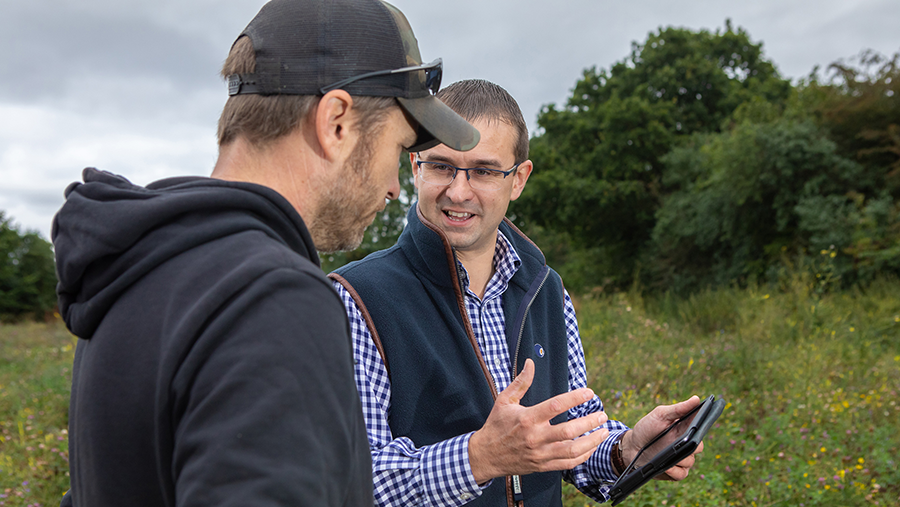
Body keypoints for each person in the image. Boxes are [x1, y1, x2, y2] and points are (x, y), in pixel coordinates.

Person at [51, 1, 479, 505]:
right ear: (336, 122)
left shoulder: (137, 269)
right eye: (396, 148)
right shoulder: (271, 299)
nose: (393, 188)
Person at [329, 79, 703, 506]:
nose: (458, 191)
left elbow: (569, 434)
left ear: (518, 179)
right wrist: (478, 459)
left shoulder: (547, 290)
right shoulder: (356, 299)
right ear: (416, 167)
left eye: (484, 171)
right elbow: (350, 479)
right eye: (441, 166)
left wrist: (630, 450)